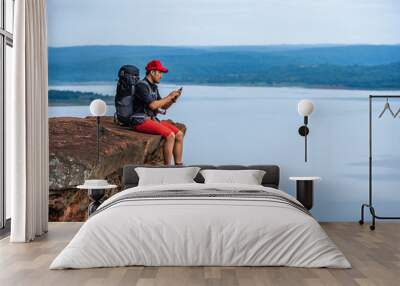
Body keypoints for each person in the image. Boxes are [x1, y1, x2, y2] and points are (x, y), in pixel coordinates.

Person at [132, 60, 184, 165]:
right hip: (140, 120)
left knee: (179, 134)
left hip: (152, 120)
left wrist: (173, 99)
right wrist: (169, 96)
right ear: (152, 72)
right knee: (170, 135)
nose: (161, 76)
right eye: (159, 73)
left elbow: (163, 106)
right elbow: (153, 105)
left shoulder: (153, 87)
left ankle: (179, 165)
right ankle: (167, 168)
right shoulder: (141, 86)